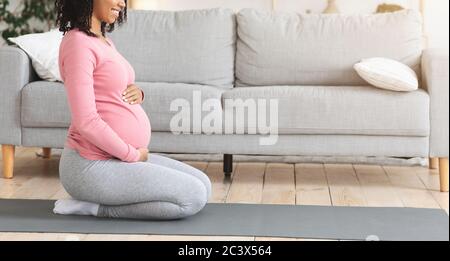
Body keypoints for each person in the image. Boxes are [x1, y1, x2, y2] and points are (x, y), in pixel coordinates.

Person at [53, 0, 212, 220]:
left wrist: (137, 93)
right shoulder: (77, 44)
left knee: (204, 185)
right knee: (192, 197)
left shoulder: (103, 41)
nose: (122, 3)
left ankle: (99, 200)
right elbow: (86, 121)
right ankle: (93, 207)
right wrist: (133, 155)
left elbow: (111, 88)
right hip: (90, 165)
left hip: (116, 158)